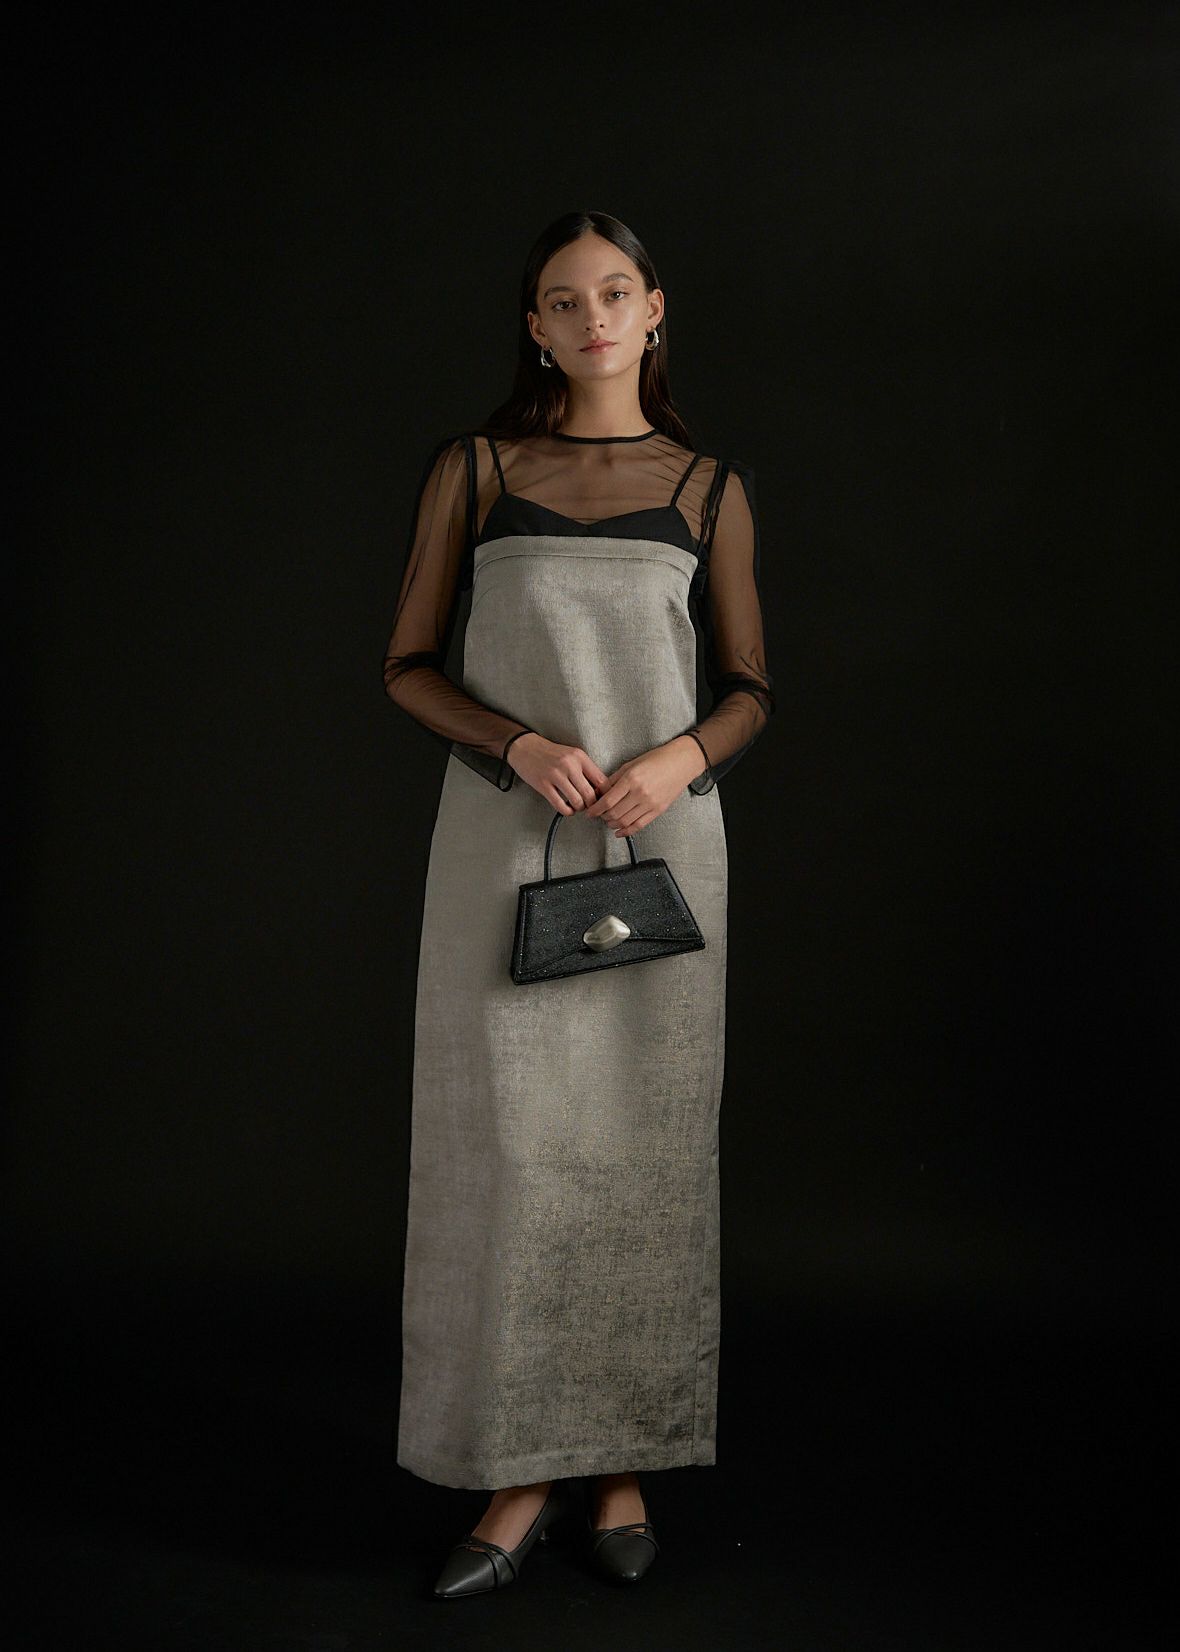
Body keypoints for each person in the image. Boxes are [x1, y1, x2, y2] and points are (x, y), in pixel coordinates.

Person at [381, 209, 775, 1599]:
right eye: (564, 299)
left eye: (615, 292)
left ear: (655, 309)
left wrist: (678, 758)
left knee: (643, 1157)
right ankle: (516, 1467)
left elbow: (750, 690)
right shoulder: (478, 471)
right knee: (511, 1155)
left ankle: (620, 1460)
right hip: (505, 847)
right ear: (536, 327)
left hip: (663, 849)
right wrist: (514, 742)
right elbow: (407, 665)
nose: (593, 316)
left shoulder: (710, 488)